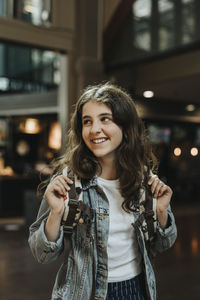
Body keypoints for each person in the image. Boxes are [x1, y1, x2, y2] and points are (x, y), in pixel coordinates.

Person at [28, 82, 177, 300]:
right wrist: (55, 213)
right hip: (84, 292)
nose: (94, 129)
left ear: (125, 127)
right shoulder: (68, 182)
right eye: (87, 121)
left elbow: (162, 244)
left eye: (105, 119)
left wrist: (162, 211)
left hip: (137, 290)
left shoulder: (144, 180)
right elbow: (42, 254)